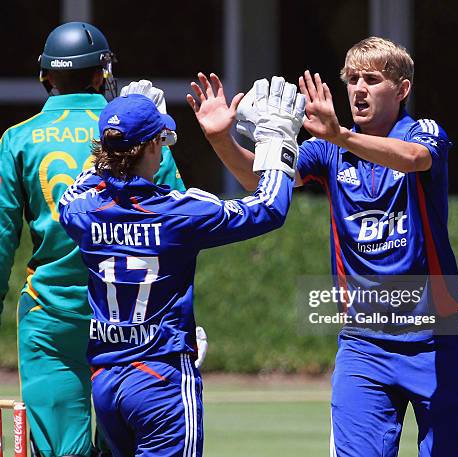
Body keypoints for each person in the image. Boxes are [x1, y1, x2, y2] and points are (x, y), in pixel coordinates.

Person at [194, 37, 458, 457]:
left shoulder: (421, 132)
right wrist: (222, 140)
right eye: (352, 79)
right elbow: (263, 182)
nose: (358, 89)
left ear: (402, 89)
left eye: (372, 79)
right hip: (364, 344)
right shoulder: (329, 150)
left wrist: (342, 135)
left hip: (436, 338)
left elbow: (413, 159)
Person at [0, 22, 188, 457]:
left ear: (46, 76)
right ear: (103, 74)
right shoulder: (140, 133)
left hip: (53, 318)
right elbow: (177, 229)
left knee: (63, 450)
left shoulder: (17, 139)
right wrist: (184, 320)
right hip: (134, 321)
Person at [58, 75, 305, 457]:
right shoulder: (179, 212)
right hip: (161, 378)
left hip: (106, 382)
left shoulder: (82, 212)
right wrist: (277, 140)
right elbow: (269, 207)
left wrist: (122, 132)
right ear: (154, 145)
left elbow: (80, 187)